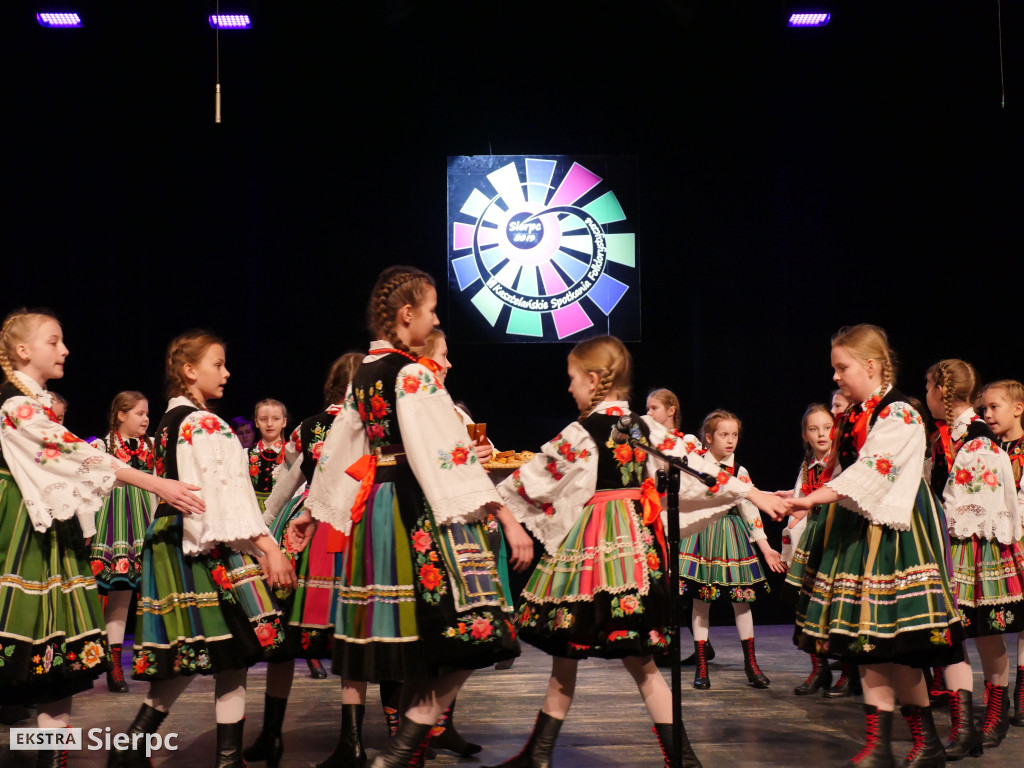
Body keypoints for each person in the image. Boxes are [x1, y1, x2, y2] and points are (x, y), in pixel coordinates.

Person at [487, 335, 788, 768]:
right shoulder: (646, 428)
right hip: (634, 551)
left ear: (593, 380)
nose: (569, 388)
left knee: (574, 655)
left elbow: (525, 482)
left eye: (572, 379)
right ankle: (672, 758)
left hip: (593, 546)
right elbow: (701, 467)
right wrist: (754, 494)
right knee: (635, 662)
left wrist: (509, 518)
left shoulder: (584, 431)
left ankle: (550, 754)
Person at [290, 265, 532, 768]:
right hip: (414, 506)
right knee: (477, 628)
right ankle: (406, 746)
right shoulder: (413, 373)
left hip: (377, 506)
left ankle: (407, 746)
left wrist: (314, 511)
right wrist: (504, 516)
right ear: (407, 315)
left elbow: (339, 447)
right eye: (431, 309)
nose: (436, 317)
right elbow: (446, 454)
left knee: (413, 635)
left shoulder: (366, 373)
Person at [0, 308, 205, 768]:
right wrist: (154, 483)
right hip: (20, 534)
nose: (65, 349)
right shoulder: (15, 404)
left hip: (49, 532)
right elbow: (72, 453)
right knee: (24, 655)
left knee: (57, 662)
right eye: (54, 341)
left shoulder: (30, 402)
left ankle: (49, 754)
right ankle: (33, 751)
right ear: (23, 350)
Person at [107, 330, 297, 768]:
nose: (226, 372)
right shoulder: (204, 423)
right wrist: (269, 547)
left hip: (175, 538)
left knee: (210, 651)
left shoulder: (170, 422)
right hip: (202, 542)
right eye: (218, 364)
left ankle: (136, 748)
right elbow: (226, 497)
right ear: (190, 371)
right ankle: (213, 758)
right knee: (229, 649)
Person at [786, 324, 964, 768]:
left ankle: (926, 743)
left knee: (895, 641)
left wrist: (813, 498)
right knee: (866, 641)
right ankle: (880, 744)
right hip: (857, 527)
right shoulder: (858, 413)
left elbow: (871, 472)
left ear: (870, 366)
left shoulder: (899, 413)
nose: (835, 376)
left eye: (842, 367)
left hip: (894, 532)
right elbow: (841, 468)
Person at [244, 353, 363, 768]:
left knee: (287, 639)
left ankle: (272, 737)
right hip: (360, 532)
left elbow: (285, 485)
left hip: (309, 536)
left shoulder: (308, 428)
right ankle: (360, 740)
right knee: (358, 634)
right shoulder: (376, 426)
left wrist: (260, 536)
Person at [924, 360, 1023, 758]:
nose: (926, 394)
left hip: (973, 548)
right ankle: (964, 724)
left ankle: (996, 713)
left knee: (986, 631)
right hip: (953, 547)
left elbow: (977, 505)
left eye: (929, 387)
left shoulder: (977, 440)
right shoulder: (949, 436)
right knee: (955, 634)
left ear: (942, 393)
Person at [677, 410, 785, 691]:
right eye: (724, 435)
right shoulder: (698, 466)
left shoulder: (740, 472)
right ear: (709, 437)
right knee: (701, 601)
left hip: (732, 540)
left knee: (742, 600)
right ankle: (702, 665)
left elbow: (751, 513)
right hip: (702, 538)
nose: (730, 440)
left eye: (734, 435)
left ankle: (751, 664)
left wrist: (766, 548)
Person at [89, 391, 157, 693]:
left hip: (144, 524)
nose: (145, 419)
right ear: (121, 415)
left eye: (146, 413)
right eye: (139, 413)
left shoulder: (152, 447)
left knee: (138, 595)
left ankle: (135, 661)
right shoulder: (100, 446)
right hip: (111, 528)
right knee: (111, 595)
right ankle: (106, 662)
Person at [782, 403, 851, 697]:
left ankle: (849, 672)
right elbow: (799, 507)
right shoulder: (808, 467)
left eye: (827, 427)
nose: (822, 434)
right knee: (809, 604)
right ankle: (819, 668)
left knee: (839, 605)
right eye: (814, 429)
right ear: (805, 435)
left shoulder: (842, 463)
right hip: (814, 540)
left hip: (838, 538)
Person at [981, 378, 1024, 728]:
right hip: (997, 542)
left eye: (995, 407)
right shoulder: (988, 449)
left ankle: (1023, 688)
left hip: (1022, 538)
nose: (988, 414)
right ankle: (998, 689)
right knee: (993, 618)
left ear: (1018, 408)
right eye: (984, 408)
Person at [249, 399, 289, 512]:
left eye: (276, 419)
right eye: (263, 419)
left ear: (284, 422)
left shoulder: (291, 454)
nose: (269, 424)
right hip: (253, 512)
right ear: (256, 422)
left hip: (282, 511)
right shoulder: (247, 454)